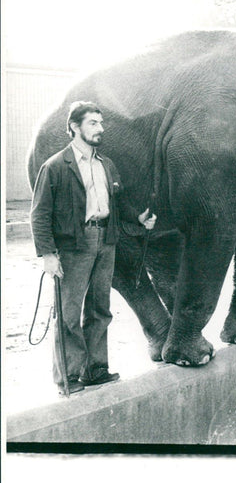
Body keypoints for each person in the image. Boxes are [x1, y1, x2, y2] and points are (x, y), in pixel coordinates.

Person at [30, 101, 157, 395]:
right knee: (68, 313)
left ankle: (96, 370)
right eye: (92, 123)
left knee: (100, 309)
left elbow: (118, 202)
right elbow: (39, 214)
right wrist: (48, 255)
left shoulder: (106, 164)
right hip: (73, 245)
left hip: (106, 241)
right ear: (74, 127)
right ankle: (68, 378)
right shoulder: (55, 167)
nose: (100, 129)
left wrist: (137, 217)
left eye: (101, 123)